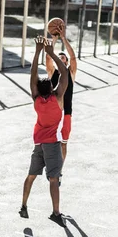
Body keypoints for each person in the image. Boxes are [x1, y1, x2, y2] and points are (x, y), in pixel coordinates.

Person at [19, 36, 68, 227]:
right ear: (52, 88)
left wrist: (38, 51)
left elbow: (32, 76)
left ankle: (23, 205)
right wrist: (51, 53)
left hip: (38, 144)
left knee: (31, 175)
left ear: (38, 90)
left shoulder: (36, 100)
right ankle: (56, 213)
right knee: (54, 179)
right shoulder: (58, 98)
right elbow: (64, 74)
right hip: (52, 145)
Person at [45, 23, 77, 167]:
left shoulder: (70, 73)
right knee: (49, 143)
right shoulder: (53, 73)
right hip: (52, 113)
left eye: (63, 57)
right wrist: (54, 40)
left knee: (63, 144)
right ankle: (49, 165)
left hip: (66, 113)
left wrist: (63, 38)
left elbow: (73, 57)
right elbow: (47, 58)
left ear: (66, 61)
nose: (61, 57)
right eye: (59, 56)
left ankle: (59, 170)